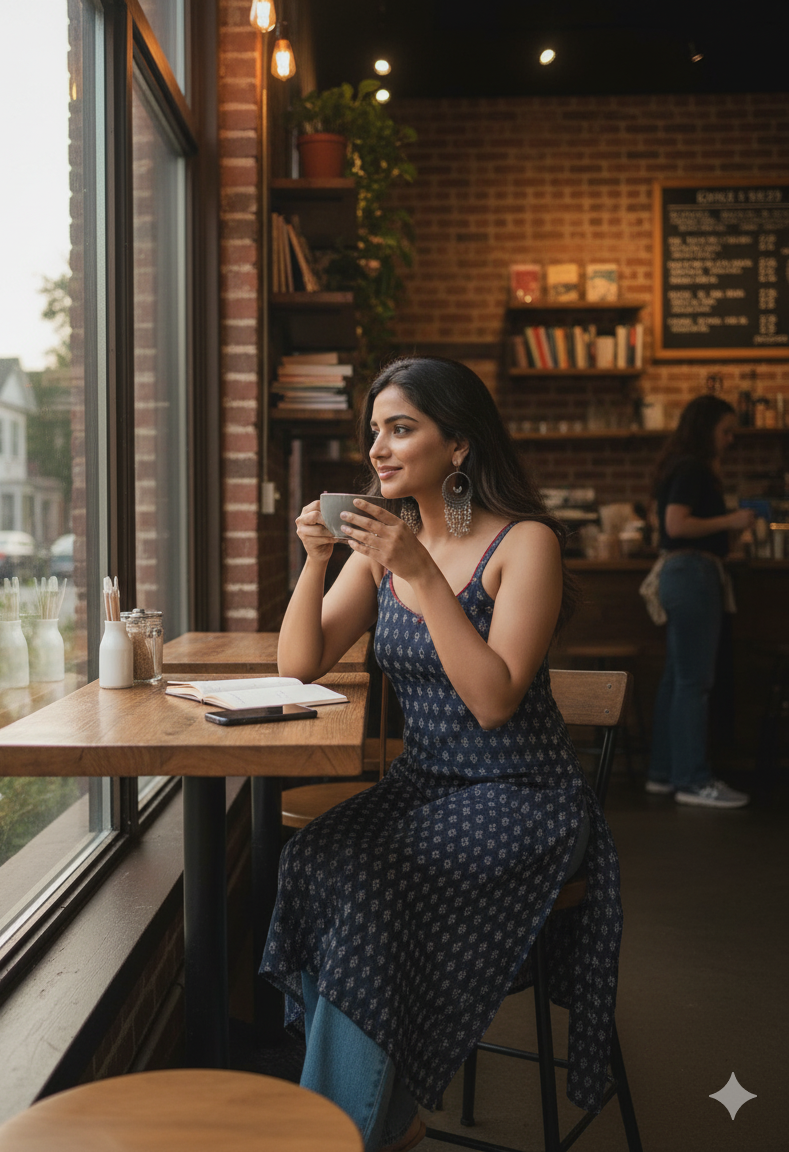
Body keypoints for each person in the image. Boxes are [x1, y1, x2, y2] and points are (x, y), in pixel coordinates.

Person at [260, 357, 623, 1152]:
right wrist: (317, 559)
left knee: (369, 884)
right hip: (427, 784)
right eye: (374, 432)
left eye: (401, 428)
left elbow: (494, 702)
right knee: (316, 859)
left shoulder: (524, 544)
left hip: (522, 792)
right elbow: (300, 663)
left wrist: (421, 573)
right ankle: (383, 1118)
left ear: (457, 446)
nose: (378, 450)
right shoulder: (388, 544)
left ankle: (336, 1132)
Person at [645, 394, 754, 809]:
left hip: (682, 574)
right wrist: (732, 520)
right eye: (726, 431)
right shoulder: (693, 467)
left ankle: (662, 773)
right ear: (705, 429)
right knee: (694, 681)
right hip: (692, 575)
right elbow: (675, 524)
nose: (730, 440)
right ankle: (692, 780)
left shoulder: (681, 465)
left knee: (677, 677)